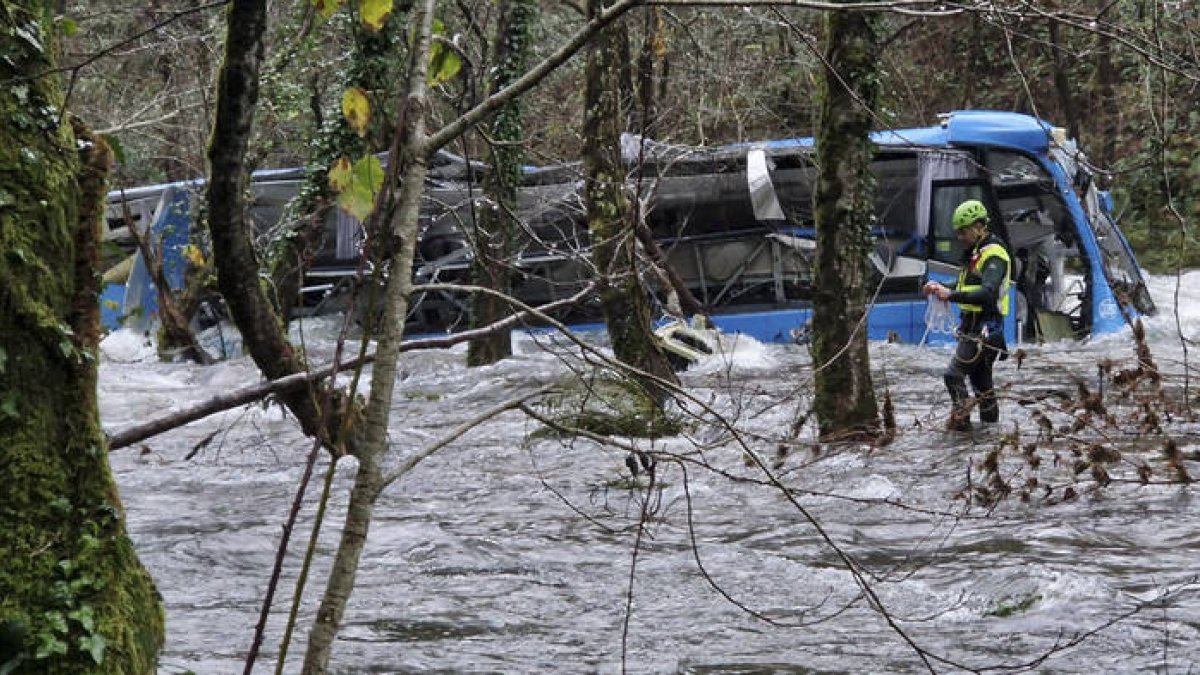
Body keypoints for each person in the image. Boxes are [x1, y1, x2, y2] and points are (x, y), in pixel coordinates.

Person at [922, 199, 1012, 431]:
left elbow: (988, 293)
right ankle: (989, 436)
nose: (960, 237)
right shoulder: (977, 252)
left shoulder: (994, 255)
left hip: (986, 327)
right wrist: (939, 285)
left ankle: (961, 427)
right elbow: (967, 284)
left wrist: (950, 295)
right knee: (982, 387)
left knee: (953, 375)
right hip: (972, 326)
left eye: (963, 231)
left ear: (979, 226)